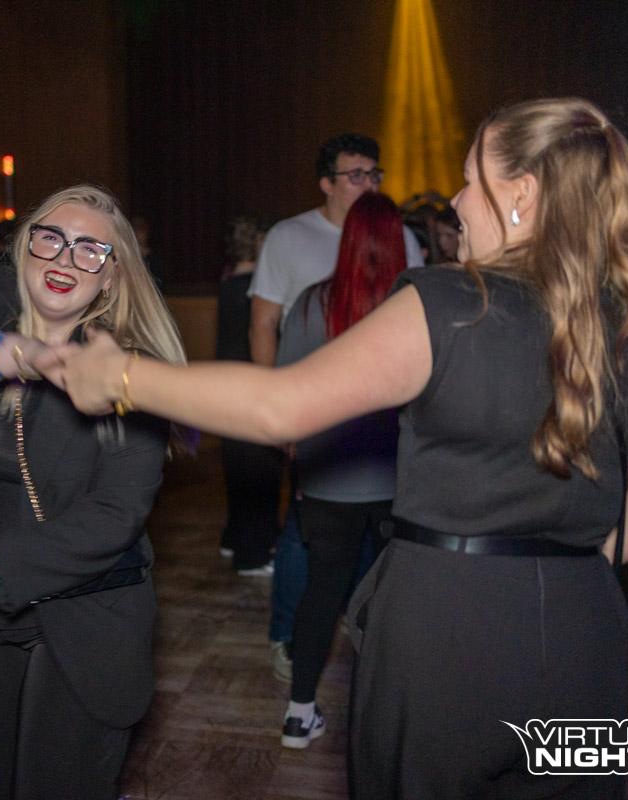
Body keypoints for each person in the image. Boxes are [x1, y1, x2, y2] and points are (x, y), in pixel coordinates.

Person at [45, 98, 628, 798]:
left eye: (470, 179)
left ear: (523, 195)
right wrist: (544, 566)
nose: (455, 200)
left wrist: (122, 376)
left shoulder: (451, 304)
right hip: (584, 628)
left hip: (445, 624)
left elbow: (280, 406)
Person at [0, 184, 186, 799]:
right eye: (50, 239)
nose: (65, 259)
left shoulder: (128, 369)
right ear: (23, 248)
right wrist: (23, 354)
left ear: (111, 277)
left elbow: (116, 515)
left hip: (88, 608)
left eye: (90, 250)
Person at [247, 133, 425, 678]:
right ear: (326, 183)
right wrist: (275, 411)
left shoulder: (399, 236)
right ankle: (288, 637)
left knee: (367, 544)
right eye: (356, 175)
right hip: (316, 422)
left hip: (384, 430)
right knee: (303, 540)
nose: (369, 184)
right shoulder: (290, 237)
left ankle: (354, 627)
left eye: (375, 174)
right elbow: (263, 326)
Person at [275, 192, 405, 748]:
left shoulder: (310, 305)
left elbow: (287, 397)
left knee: (322, 592)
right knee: (394, 601)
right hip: (399, 480)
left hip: (328, 476)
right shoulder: (414, 308)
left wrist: (299, 459)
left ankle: (298, 713)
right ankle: (388, 721)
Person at [214, 216, 281, 575]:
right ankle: (253, 554)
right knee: (258, 471)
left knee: (239, 471)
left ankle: (234, 538)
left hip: (228, 385)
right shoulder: (256, 289)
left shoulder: (229, 282)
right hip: (250, 386)